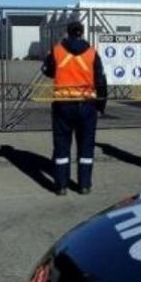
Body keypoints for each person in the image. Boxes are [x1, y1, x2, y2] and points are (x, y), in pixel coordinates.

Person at [42, 21, 107, 195]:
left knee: (62, 145)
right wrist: (101, 105)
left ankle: (61, 186)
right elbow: (100, 80)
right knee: (86, 146)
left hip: (63, 104)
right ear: (82, 33)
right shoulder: (92, 53)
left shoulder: (57, 50)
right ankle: (84, 185)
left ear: (68, 32)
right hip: (87, 104)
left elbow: (47, 70)